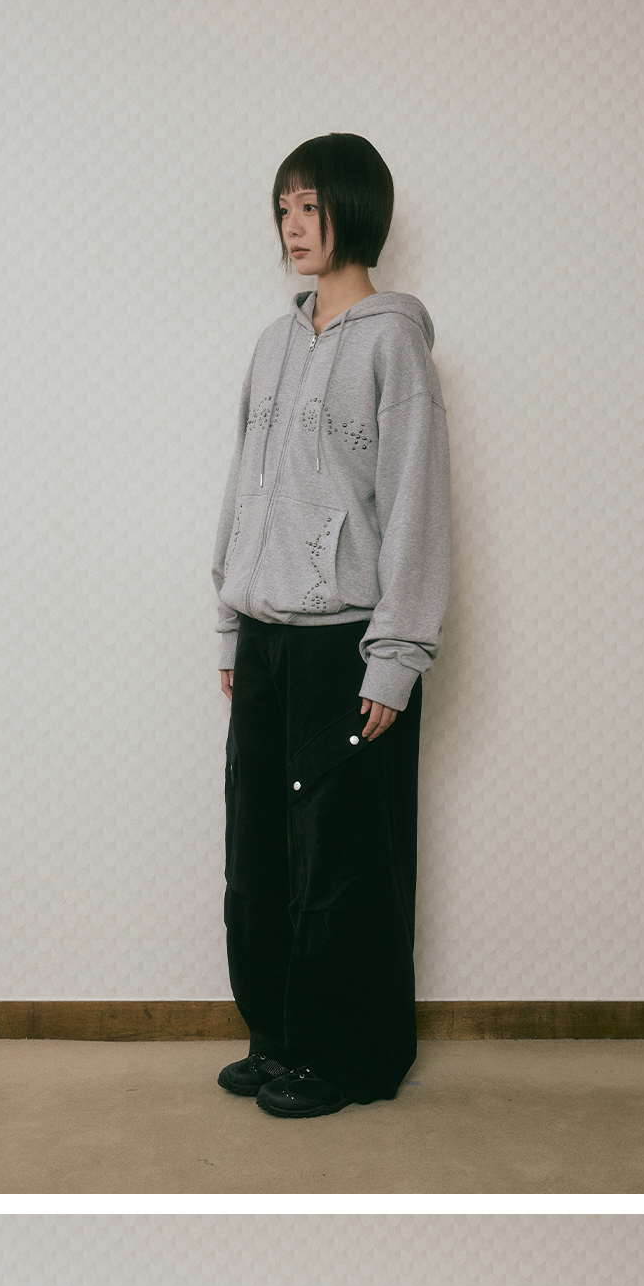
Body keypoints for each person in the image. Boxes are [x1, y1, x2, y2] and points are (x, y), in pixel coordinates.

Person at [214, 127, 451, 1118]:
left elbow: (416, 506)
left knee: (344, 859)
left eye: (309, 205)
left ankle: (348, 1055)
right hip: (267, 641)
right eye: (283, 207)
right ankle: (279, 1036)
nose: (292, 225)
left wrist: (393, 658)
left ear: (354, 210)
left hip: (345, 644)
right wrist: (230, 623)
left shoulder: (393, 345)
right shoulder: (273, 345)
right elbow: (243, 489)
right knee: (262, 851)